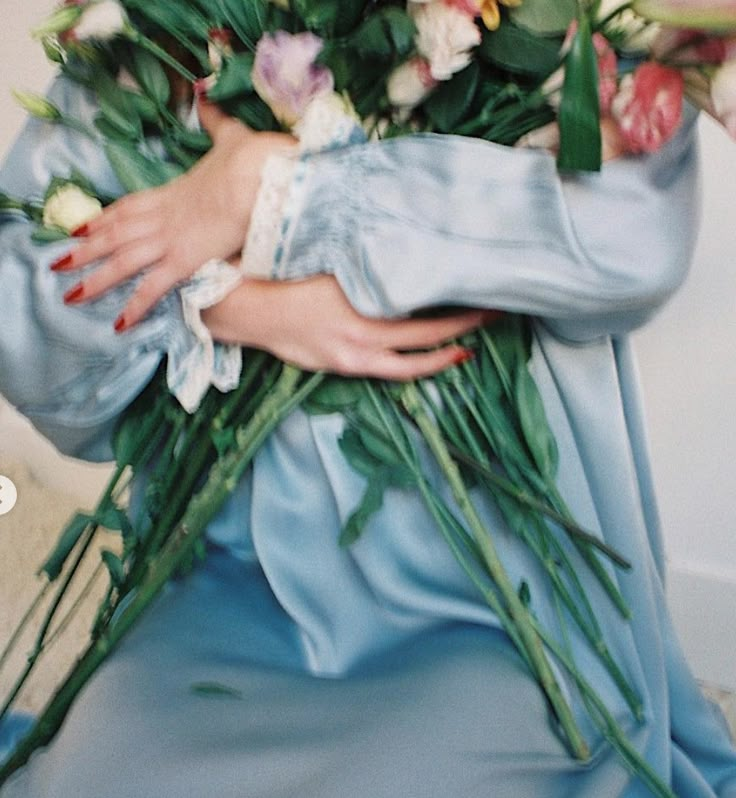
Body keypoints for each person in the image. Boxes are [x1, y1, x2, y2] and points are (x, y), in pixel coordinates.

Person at [0, 71, 735, 798]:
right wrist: (227, 301)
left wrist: (275, 197)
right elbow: (21, 295)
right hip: (228, 570)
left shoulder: (580, 37)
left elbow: (629, 244)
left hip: (491, 585)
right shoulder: (158, 41)